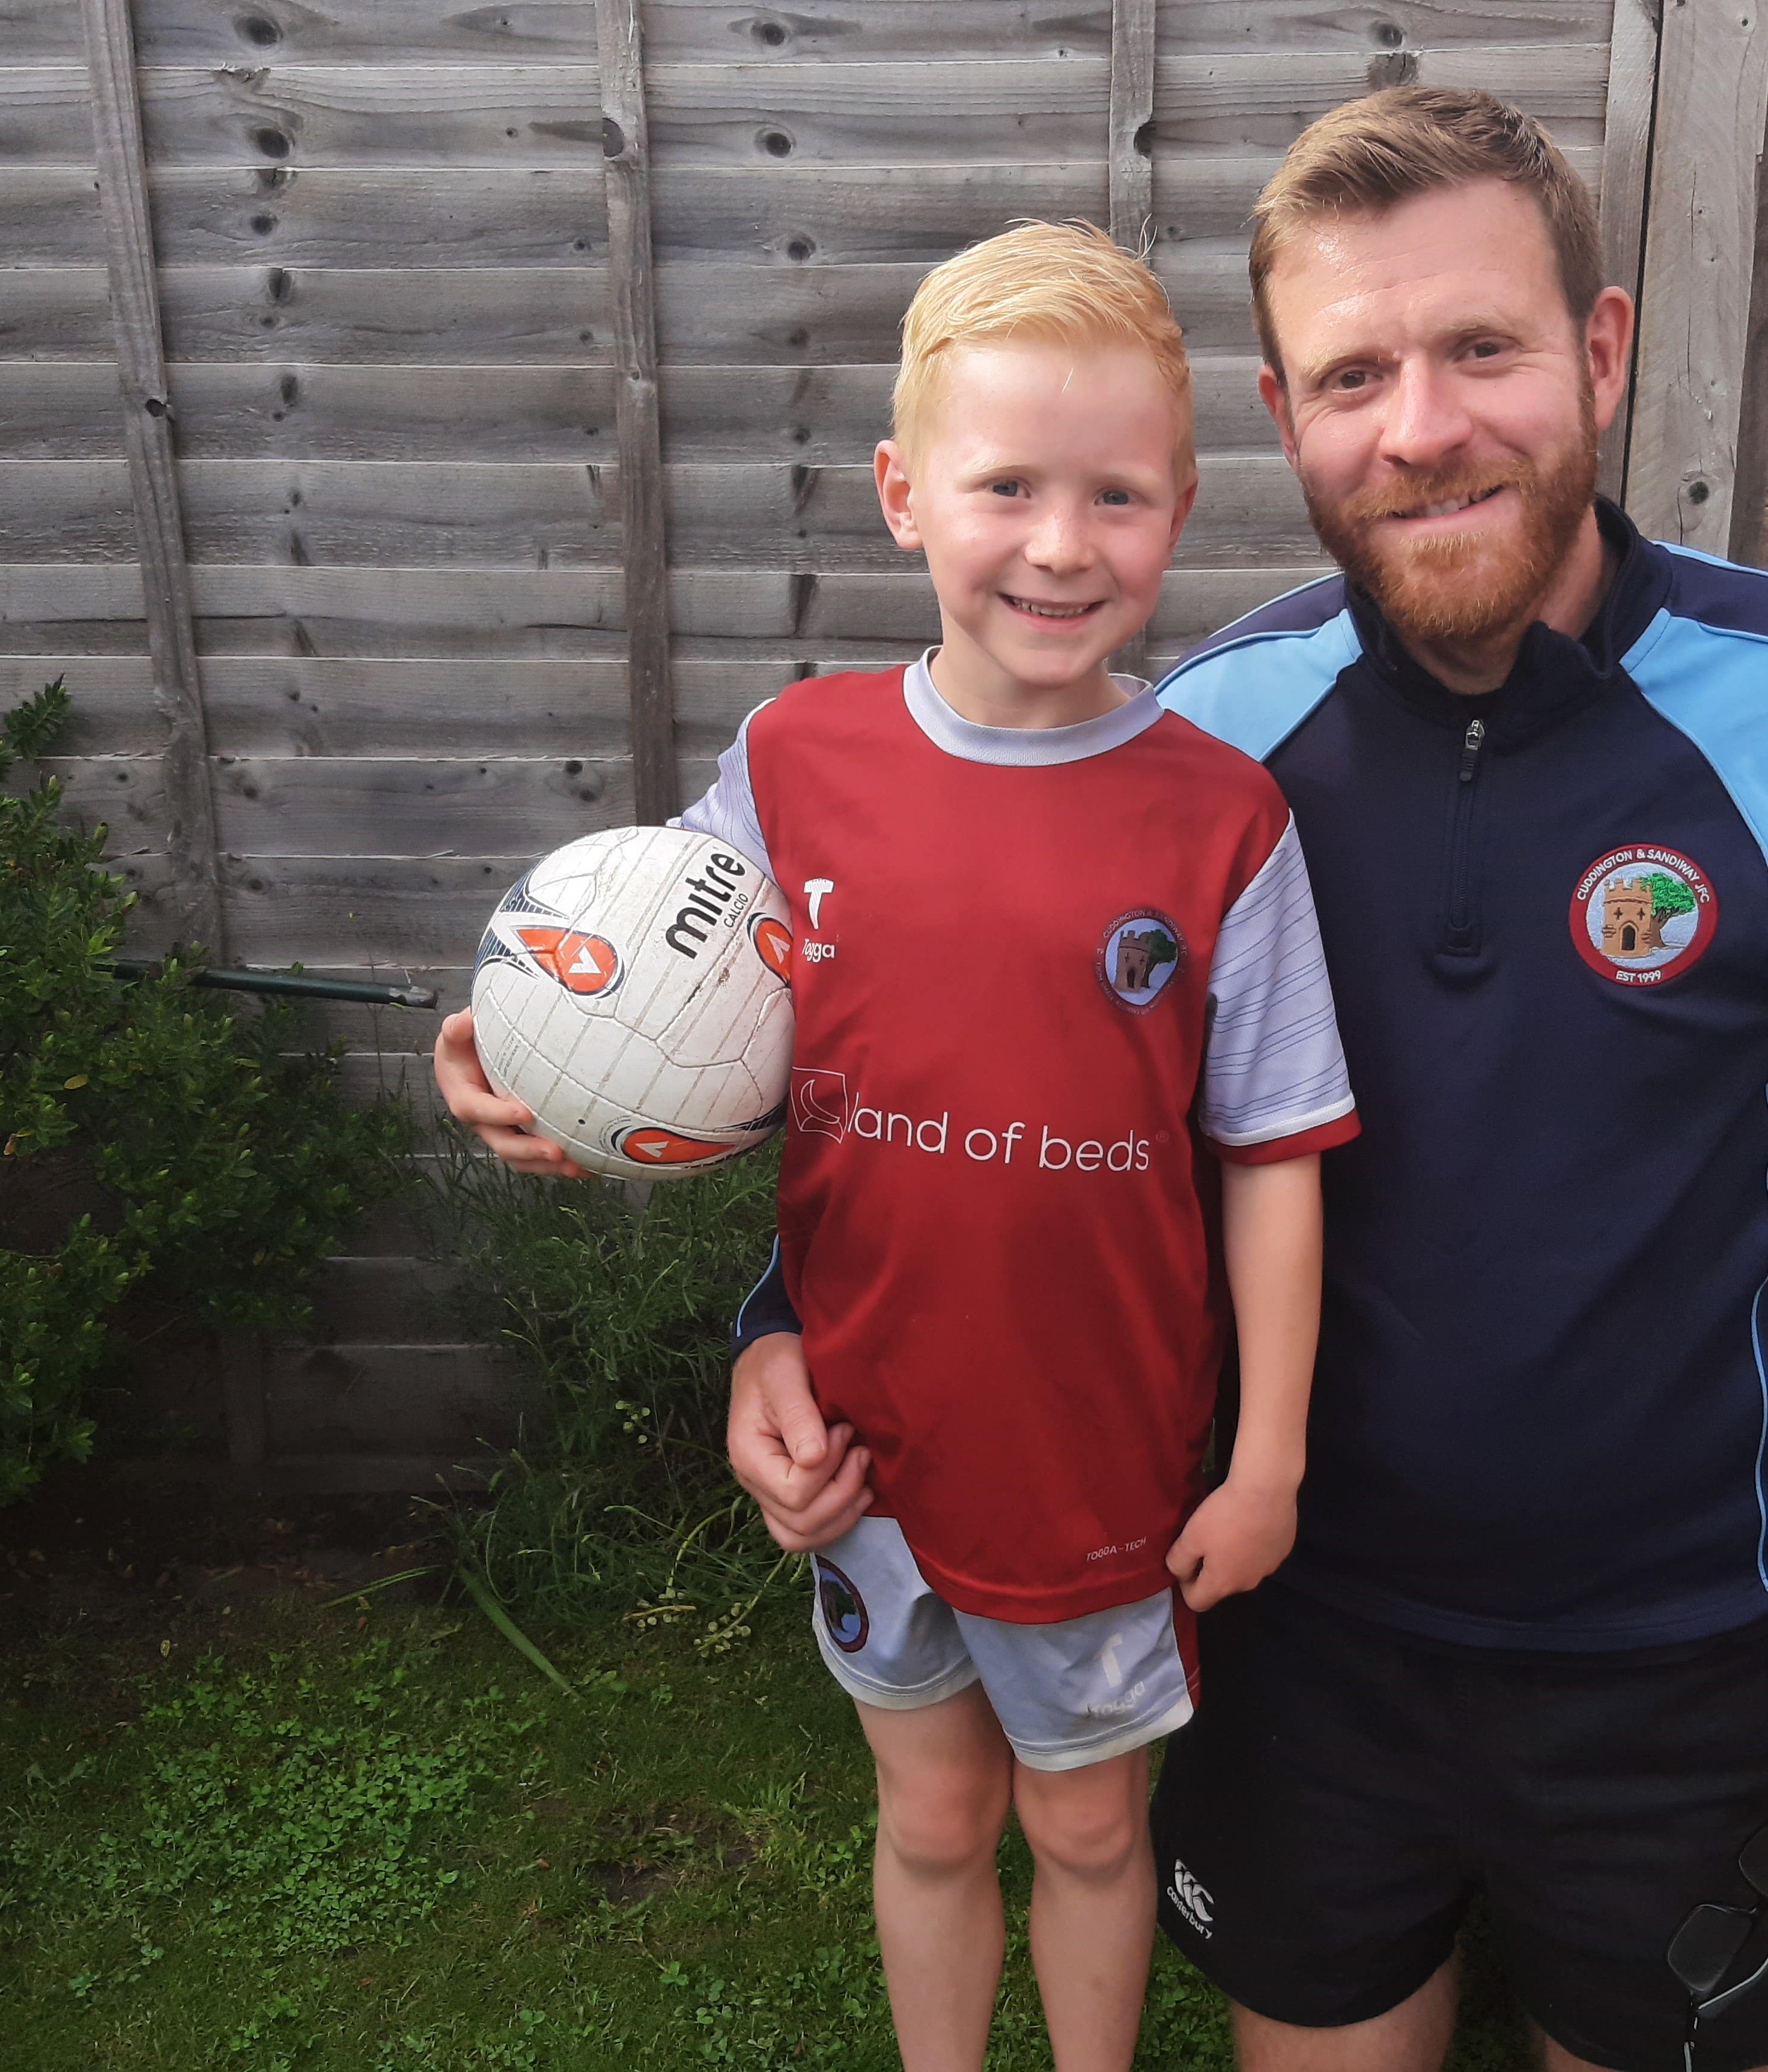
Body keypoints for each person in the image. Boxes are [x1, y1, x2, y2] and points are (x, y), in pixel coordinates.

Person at [726, 90, 1768, 2072]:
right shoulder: (1206, 747)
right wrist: (785, 1323)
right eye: (1356, 373)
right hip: (1292, 1619)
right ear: (1284, 417)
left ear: (1599, 353)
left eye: (1483, 350)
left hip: (1676, 1647)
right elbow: (999, 1077)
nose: (1421, 426)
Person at [433, 222, 1359, 2072]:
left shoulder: (1223, 821)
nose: (1060, 543)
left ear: (1181, 504)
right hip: (868, 1448)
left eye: (1115, 494)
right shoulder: (794, 767)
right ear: (902, 493)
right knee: (935, 1818)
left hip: (1103, 1461)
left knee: (1091, 1826)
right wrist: (502, 1051)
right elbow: (669, 1003)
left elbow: (1271, 1156)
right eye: (1006, 484)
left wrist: (1265, 1463)